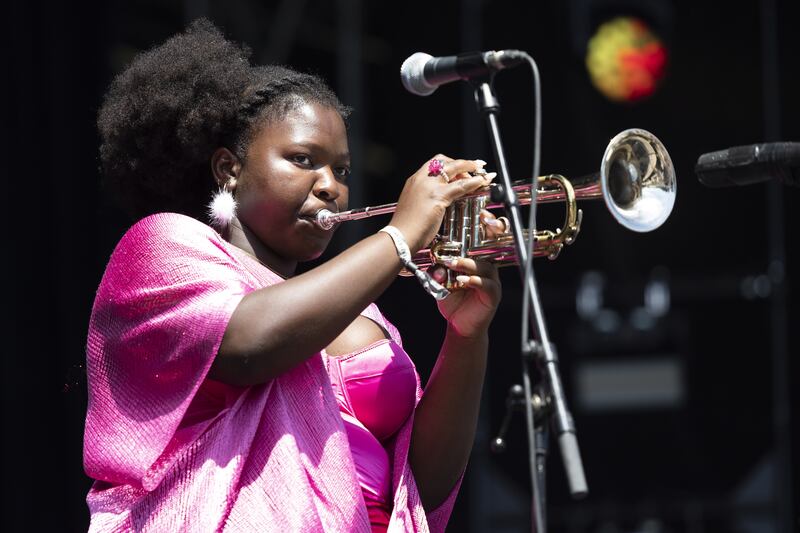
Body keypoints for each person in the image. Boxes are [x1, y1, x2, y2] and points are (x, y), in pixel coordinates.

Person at [83, 18, 502, 532]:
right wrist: (400, 236)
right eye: (303, 160)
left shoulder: (358, 308)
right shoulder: (163, 246)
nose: (330, 187)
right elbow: (248, 345)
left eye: (342, 171)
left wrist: (468, 335)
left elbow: (419, 489)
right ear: (228, 169)